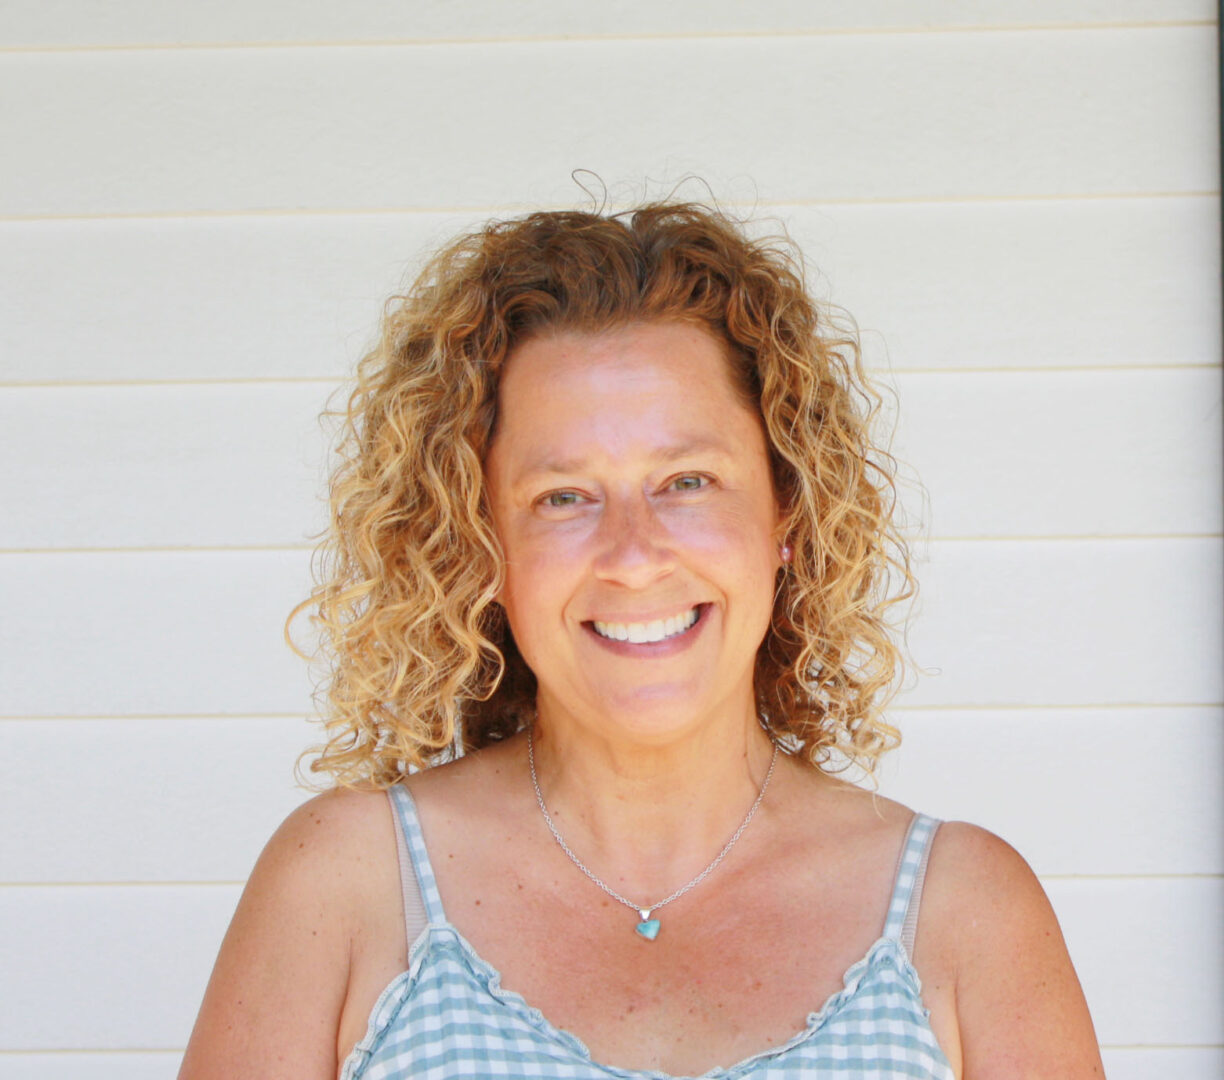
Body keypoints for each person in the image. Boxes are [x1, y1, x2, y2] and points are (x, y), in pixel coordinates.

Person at [179, 201, 1104, 1079]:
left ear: (786, 512)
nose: (632, 554)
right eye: (564, 497)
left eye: (688, 481)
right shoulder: (348, 884)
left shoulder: (962, 913)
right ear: (483, 546)